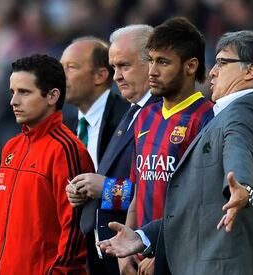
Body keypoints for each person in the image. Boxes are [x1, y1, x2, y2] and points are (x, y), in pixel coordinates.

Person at [98, 30, 253, 275]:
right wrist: (143, 238)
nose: (213, 72)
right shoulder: (148, 116)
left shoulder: (247, 109)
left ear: (250, 71)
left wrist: (242, 185)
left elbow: (239, 148)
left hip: (227, 265)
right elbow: (195, 206)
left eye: (222, 62)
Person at [122, 17, 214, 274]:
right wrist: (127, 245)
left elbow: (202, 202)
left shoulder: (207, 119)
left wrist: (163, 253)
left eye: (163, 62)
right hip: (139, 256)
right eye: (151, 60)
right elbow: (138, 187)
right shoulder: (145, 116)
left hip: (181, 258)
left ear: (191, 66)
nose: (152, 70)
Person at [0, 54, 94, 274]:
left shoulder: (67, 150)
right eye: (12, 92)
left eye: (24, 92)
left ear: (52, 96)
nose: (14, 101)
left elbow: (77, 228)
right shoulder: (11, 147)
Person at [66, 25, 156, 275]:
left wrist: (105, 189)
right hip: (104, 253)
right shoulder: (132, 112)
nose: (117, 76)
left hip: (137, 254)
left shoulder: (159, 117)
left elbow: (156, 193)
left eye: (124, 65)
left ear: (152, 64)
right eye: (115, 67)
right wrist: (83, 192)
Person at [60, 37, 129, 170]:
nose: (61, 75)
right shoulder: (65, 128)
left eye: (71, 67)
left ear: (100, 76)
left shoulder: (127, 120)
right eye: (60, 67)